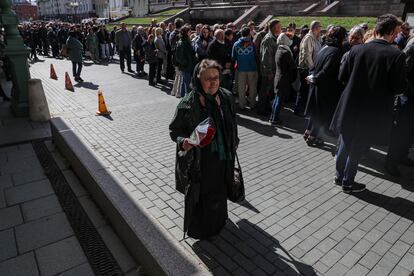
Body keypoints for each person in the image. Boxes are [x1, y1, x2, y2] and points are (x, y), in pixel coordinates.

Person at [331, 14, 407, 193]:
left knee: (345, 141)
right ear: (390, 32)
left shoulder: (357, 49)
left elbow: (342, 77)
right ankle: (348, 182)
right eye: (396, 32)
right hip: (372, 110)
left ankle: (338, 175)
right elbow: (399, 87)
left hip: (350, 104)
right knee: (357, 146)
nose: (397, 35)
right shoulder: (396, 55)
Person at [169, 59, 239, 240]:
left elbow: (232, 122)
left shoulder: (226, 97)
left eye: (216, 77)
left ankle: (220, 220)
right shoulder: (189, 103)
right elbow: (174, 130)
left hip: (224, 156)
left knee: (221, 188)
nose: (213, 82)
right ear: (198, 80)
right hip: (201, 160)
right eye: (208, 79)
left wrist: (234, 140)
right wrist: (183, 141)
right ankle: (202, 229)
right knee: (203, 194)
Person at [304, 26, 347, 146]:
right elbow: (326, 70)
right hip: (325, 88)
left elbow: (315, 65)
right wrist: (315, 78)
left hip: (317, 85)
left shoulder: (325, 47)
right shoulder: (336, 51)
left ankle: (308, 132)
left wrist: (311, 76)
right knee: (321, 114)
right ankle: (312, 137)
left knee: (315, 113)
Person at [386, 37, 414, 175]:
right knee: (401, 130)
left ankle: (403, 156)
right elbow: (403, 73)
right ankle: (391, 162)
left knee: (410, 132)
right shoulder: (412, 46)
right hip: (408, 98)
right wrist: (409, 90)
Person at [269, 33, 297, 126]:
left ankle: (272, 117)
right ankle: (275, 119)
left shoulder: (279, 49)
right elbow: (292, 65)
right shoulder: (286, 52)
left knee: (277, 98)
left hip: (278, 77)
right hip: (283, 79)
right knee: (279, 100)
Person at [296, 21, 322, 116]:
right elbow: (307, 55)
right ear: (315, 28)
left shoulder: (314, 38)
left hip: (310, 68)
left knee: (306, 90)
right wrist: (312, 69)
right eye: (319, 28)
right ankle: (298, 109)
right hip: (307, 69)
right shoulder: (308, 38)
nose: (320, 30)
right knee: (304, 90)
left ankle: (302, 109)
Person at [258, 19, 282, 116]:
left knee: (268, 90)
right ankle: (261, 109)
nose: (280, 29)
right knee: (264, 90)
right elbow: (266, 57)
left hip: (272, 70)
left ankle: (266, 107)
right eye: (278, 27)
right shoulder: (268, 39)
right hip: (268, 71)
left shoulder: (274, 38)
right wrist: (269, 71)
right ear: (273, 28)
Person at [232, 27, 258, 110]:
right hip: (252, 68)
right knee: (252, 87)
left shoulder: (236, 44)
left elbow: (233, 57)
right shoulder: (252, 43)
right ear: (249, 34)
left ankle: (242, 105)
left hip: (241, 69)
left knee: (241, 88)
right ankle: (252, 104)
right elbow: (256, 56)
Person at [175, 26, 196, 98]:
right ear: (186, 32)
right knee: (187, 85)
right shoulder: (182, 42)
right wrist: (186, 63)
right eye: (189, 31)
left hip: (188, 66)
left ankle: (183, 98)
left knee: (185, 83)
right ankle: (187, 101)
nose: (191, 32)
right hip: (186, 67)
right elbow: (179, 57)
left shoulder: (187, 41)